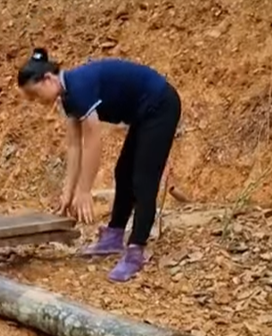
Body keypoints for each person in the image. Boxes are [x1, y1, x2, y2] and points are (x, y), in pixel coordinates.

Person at [16, 48, 181, 282]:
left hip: (160, 106)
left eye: (35, 95)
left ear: (48, 79)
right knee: (123, 173)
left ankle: (136, 250)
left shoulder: (79, 88)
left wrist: (85, 191)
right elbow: (75, 146)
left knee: (143, 180)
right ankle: (114, 235)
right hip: (143, 113)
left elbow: (93, 142)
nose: (37, 102)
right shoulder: (67, 96)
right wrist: (68, 192)